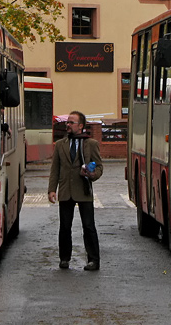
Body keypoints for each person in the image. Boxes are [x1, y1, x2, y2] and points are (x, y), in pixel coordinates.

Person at [47, 110, 103, 271]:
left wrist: (92, 174)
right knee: (65, 227)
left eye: (71, 123)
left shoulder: (90, 144)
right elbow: (55, 169)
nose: (68, 125)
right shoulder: (60, 144)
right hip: (66, 190)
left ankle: (93, 260)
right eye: (67, 122)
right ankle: (64, 258)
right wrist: (52, 190)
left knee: (88, 226)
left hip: (83, 190)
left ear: (81, 126)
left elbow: (99, 166)